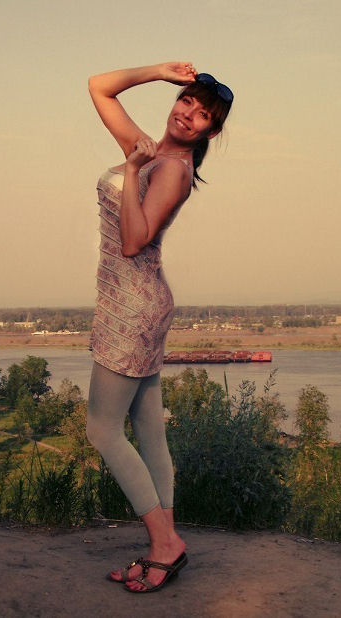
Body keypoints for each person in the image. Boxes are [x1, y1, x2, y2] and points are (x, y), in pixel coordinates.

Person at [85, 62, 233, 593]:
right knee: (148, 430)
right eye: (186, 100)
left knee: (102, 430)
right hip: (136, 302)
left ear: (211, 132)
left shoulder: (169, 169)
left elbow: (133, 241)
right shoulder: (150, 150)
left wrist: (131, 173)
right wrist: (159, 71)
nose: (189, 114)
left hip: (132, 308)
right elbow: (98, 87)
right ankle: (164, 545)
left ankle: (164, 544)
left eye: (203, 114)